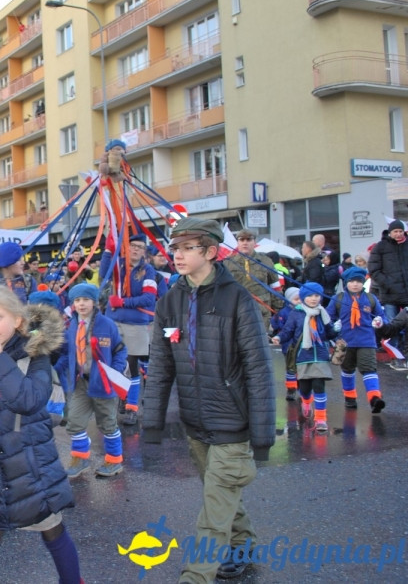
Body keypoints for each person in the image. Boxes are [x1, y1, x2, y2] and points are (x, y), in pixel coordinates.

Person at [143, 217, 275, 583]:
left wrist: (262, 436)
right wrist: (152, 422)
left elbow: (259, 369)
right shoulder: (169, 302)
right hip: (195, 423)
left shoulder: (237, 300)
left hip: (233, 423)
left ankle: (196, 576)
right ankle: (244, 545)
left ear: (212, 252)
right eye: (175, 248)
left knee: (213, 510)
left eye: (188, 248)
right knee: (221, 494)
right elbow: (160, 366)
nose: (178, 255)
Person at [0, 285, 79, 584]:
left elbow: (27, 401)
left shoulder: (35, 356)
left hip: (31, 467)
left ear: (18, 321)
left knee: (52, 531)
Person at [54, 283, 127, 478]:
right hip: (79, 382)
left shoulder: (107, 325)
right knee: (74, 422)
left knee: (107, 424)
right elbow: (65, 352)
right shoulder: (71, 326)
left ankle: (114, 460)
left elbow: (120, 351)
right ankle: (80, 457)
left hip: (103, 382)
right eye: (77, 300)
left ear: (94, 302)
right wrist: (55, 370)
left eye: (85, 300)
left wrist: (115, 371)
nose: (81, 304)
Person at [100, 233, 158, 426]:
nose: (136, 249)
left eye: (140, 247)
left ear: (144, 251)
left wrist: (123, 302)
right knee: (115, 364)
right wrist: (108, 251)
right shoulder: (119, 265)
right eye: (132, 245)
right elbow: (103, 275)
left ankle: (132, 407)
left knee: (132, 366)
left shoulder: (147, 270)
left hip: (135, 325)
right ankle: (121, 399)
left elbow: (149, 299)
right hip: (113, 323)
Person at [271, 283, 336, 432]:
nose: (313, 299)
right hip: (302, 355)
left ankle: (321, 419)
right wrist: (279, 338)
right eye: (310, 296)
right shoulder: (296, 313)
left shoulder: (323, 313)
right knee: (305, 388)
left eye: (317, 296)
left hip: (320, 355)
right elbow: (288, 330)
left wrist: (337, 330)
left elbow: (329, 333)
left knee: (319, 386)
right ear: (303, 297)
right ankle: (306, 402)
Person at [326, 266, 387, 412]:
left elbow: (382, 316)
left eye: (359, 281)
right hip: (345, 342)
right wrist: (333, 327)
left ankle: (374, 398)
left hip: (366, 341)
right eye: (352, 281)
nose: (355, 284)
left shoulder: (371, 299)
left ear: (363, 282)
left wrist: (379, 321)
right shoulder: (338, 299)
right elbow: (327, 318)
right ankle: (350, 397)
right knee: (347, 369)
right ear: (346, 282)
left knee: (369, 369)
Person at [223, 229, 283, 331]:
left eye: (248, 240)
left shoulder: (265, 261)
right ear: (238, 242)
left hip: (261, 309)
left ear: (254, 242)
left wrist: (278, 310)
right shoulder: (228, 263)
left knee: (259, 342)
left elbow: (275, 287)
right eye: (242, 240)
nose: (245, 243)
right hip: (237, 308)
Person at [368, 220, 408, 367]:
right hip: (390, 294)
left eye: (400, 231)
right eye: (395, 231)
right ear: (390, 232)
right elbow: (374, 269)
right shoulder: (381, 247)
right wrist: (387, 283)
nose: (398, 234)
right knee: (392, 327)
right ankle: (395, 357)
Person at [270, 287, 301, 401]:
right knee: (290, 368)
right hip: (288, 346)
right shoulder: (284, 312)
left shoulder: (302, 311)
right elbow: (276, 323)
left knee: (301, 367)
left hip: (300, 346)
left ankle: (300, 386)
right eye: (296, 299)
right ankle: (291, 389)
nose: (299, 301)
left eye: (300, 299)